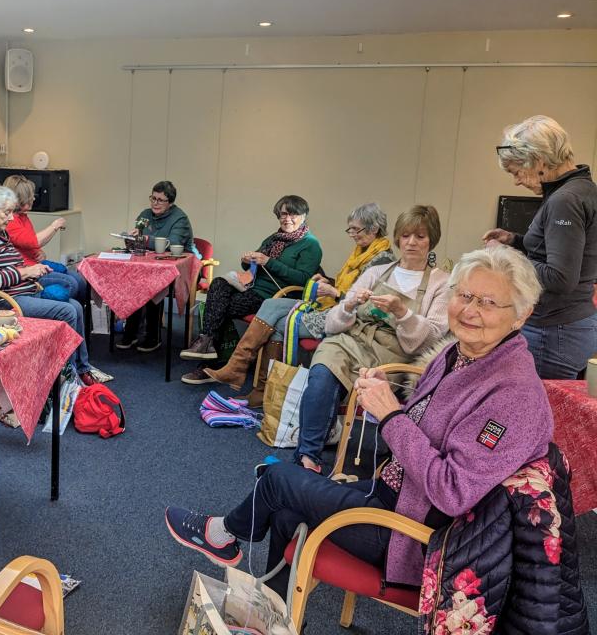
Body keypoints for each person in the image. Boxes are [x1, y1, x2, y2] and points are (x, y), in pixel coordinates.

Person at [166, 245, 551, 596]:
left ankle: (224, 534)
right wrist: (392, 398)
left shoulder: (512, 395)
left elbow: (452, 492)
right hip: (393, 496)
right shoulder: (460, 353)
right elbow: (427, 424)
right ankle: (271, 614)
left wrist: (391, 415)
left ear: (521, 315)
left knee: (278, 479)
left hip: (419, 540)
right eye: (464, 295)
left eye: (487, 302)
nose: (469, 310)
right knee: (284, 509)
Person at [288, 205, 448, 473]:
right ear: (397, 237)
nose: (411, 242)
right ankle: (308, 457)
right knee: (322, 372)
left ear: (432, 239)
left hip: (394, 353)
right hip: (350, 339)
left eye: (420, 236)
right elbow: (332, 323)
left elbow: (428, 340)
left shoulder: (442, 283)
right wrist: (349, 305)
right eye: (406, 235)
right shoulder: (378, 272)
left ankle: (324, 444)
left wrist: (401, 312)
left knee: (357, 380)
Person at [201, 202, 394, 391]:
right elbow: (353, 287)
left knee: (275, 321)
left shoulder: (381, 261)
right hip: (325, 303)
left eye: (356, 230)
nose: (352, 235)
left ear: (374, 228)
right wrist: (329, 281)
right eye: (350, 230)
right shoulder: (361, 252)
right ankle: (234, 365)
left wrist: (336, 293)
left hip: (346, 316)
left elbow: (370, 305)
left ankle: (260, 385)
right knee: (259, 302)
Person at [484, 115, 597, 379]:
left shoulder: (564, 200)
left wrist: (504, 257)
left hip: (555, 331)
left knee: (545, 413)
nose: (516, 181)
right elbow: (558, 251)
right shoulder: (582, 190)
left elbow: (560, 278)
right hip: (568, 328)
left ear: (539, 160)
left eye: (516, 171)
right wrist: (514, 240)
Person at [0, 186, 101, 387]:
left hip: (18, 291)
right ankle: (68, 381)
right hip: (1, 302)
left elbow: (11, 266)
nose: (11, 218)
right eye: (6, 212)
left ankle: (81, 369)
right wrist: (25, 272)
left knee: (76, 307)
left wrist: (30, 268)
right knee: (68, 310)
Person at [180, 195, 321, 383]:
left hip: (276, 296)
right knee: (219, 284)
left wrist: (270, 262)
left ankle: (209, 361)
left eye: (293, 214)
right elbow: (253, 267)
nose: (287, 218)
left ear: (304, 216)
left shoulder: (311, 245)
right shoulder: (274, 238)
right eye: (283, 214)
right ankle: (208, 344)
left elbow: (303, 280)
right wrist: (247, 261)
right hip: (252, 286)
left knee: (219, 308)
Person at [117, 180, 195, 352]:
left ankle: (153, 336)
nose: (155, 203)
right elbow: (139, 241)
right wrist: (132, 239)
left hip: (176, 269)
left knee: (153, 282)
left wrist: (145, 240)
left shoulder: (180, 218)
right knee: (132, 281)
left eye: (160, 200)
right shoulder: (145, 214)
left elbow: (173, 243)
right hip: (148, 266)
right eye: (153, 198)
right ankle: (131, 332)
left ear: (171, 202)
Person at [2, 174, 88, 303]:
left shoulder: (23, 216)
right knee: (71, 283)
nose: (33, 199)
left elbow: (32, 244)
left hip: (35, 265)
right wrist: (54, 226)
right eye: (29, 197)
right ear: (19, 199)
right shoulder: (11, 221)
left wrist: (40, 251)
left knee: (78, 278)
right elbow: (34, 241)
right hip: (27, 271)